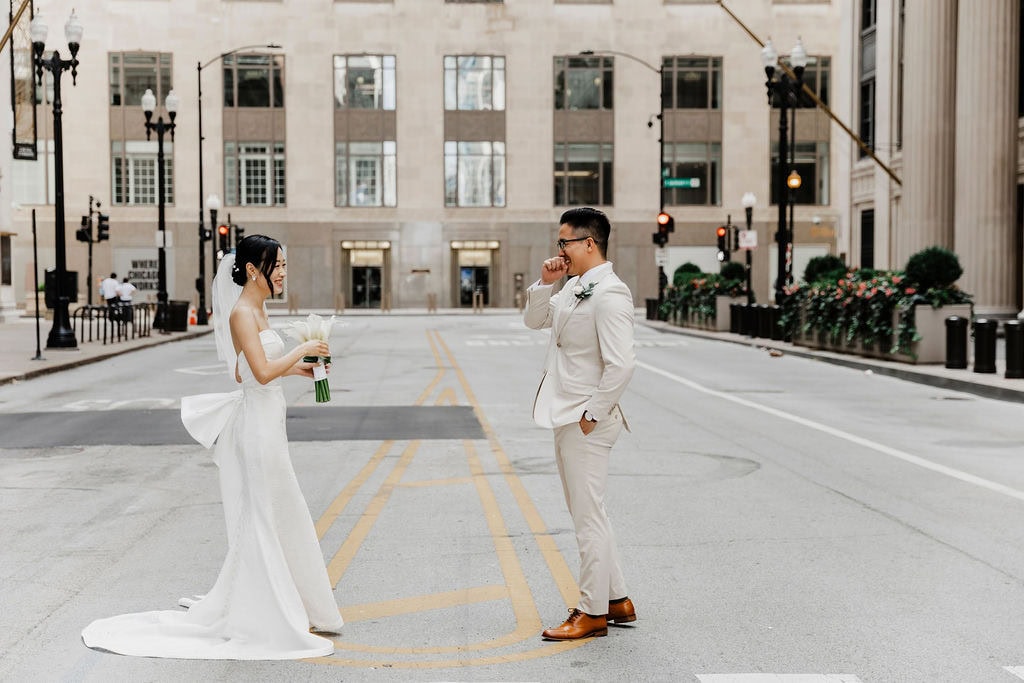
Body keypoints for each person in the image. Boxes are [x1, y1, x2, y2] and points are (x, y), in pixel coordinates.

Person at [81, 235, 345, 659]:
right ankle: (268, 614)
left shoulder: (259, 307)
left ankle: (296, 605)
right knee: (263, 516)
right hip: (257, 431)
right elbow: (258, 373)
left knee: (282, 510)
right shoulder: (242, 312)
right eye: (276, 264)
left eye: (284, 264)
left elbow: (245, 373)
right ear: (254, 270)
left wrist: (304, 369)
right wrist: (300, 349)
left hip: (269, 422)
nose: (283, 271)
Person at [523, 207, 637, 641]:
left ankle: (591, 612)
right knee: (590, 512)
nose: (559, 250)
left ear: (589, 243)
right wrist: (545, 284)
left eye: (564, 242)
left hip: (586, 418)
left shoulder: (609, 293)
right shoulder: (574, 288)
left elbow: (621, 364)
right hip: (566, 413)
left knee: (587, 518)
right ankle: (617, 599)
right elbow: (535, 321)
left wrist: (593, 413)